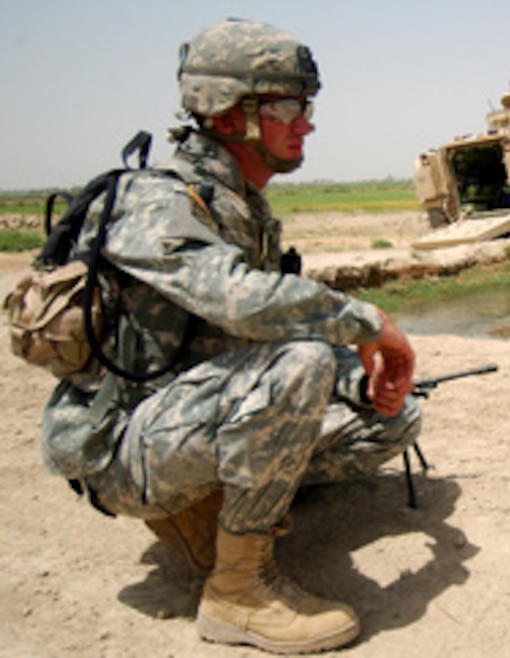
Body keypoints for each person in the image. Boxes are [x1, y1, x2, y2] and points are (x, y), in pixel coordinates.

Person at [38, 18, 422, 654]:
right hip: (124, 448)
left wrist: (359, 378)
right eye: (289, 106)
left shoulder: (240, 207)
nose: (307, 123)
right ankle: (237, 591)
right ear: (226, 116)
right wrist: (367, 321)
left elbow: (259, 332)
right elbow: (238, 301)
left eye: (307, 105)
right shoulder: (156, 200)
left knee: (390, 420)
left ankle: (223, 512)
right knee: (300, 361)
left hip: (191, 418)